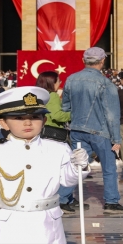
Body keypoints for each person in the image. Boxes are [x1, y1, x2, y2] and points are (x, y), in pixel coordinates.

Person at [0, 86, 90, 243]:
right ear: (4, 123)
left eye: (35, 117)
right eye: (18, 118)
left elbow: (67, 180)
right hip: (7, 225)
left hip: (46, 224)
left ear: (44, 120)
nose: (27, 122)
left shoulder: (58, 148)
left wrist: (78, 166)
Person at [61, 47, 123, 214]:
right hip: (101, 132)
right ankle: (111, 202)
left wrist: (76, 119)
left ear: (84, 61)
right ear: (102, 61)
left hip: (77, 129)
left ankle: (63, 198)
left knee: (77, 165)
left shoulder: (71, 79)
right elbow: (112, 115)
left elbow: (66, 107)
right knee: (109, 167)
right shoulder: (106, 84)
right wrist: (117, 139)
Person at [35, 71, 84, 213]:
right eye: (58, 81)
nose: (59, 84)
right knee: (67, 168)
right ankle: (63, 198)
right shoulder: (53, 96)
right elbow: (57, 115)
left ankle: (67, 198)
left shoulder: (40, 95)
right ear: (51, 82)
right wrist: (74, 114)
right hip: (55, 134)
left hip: (44, 134)